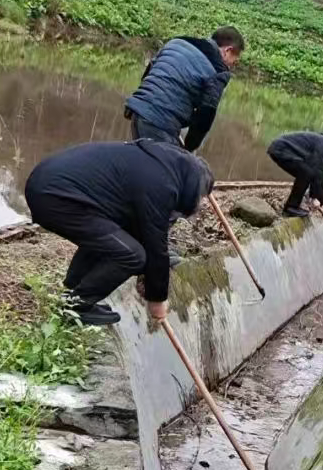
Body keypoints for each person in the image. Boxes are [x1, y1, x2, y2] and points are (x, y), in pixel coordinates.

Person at [24, 139, 214, 326]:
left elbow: (141, 232)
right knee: (132, 255)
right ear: (193, 186)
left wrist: (150, 273)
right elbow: (156, 245)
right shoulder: (161, 185)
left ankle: (74, 289)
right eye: (201, 197)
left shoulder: (161, 165)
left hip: (46, 184)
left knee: (114, 236)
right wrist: (157, 300)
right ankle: (77, 306)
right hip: (55, 196)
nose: (199, 203)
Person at [124, 26, 245, 151]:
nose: (231, 66)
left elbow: (149, 73)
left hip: (137, 112)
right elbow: (205, 115)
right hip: (159, 121)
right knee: (169, 169)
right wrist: (188, 149)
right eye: (234, 61)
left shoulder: (177, 42)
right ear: (227, 50)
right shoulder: (218, 71)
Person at [266, 131, 323, 219]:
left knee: (307, 172)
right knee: (307, 172)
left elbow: (318, 174)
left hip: (282, 149)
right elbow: (317, 172)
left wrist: (314, 197)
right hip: (280, 149)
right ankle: (291, 207)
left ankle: (292, 206)